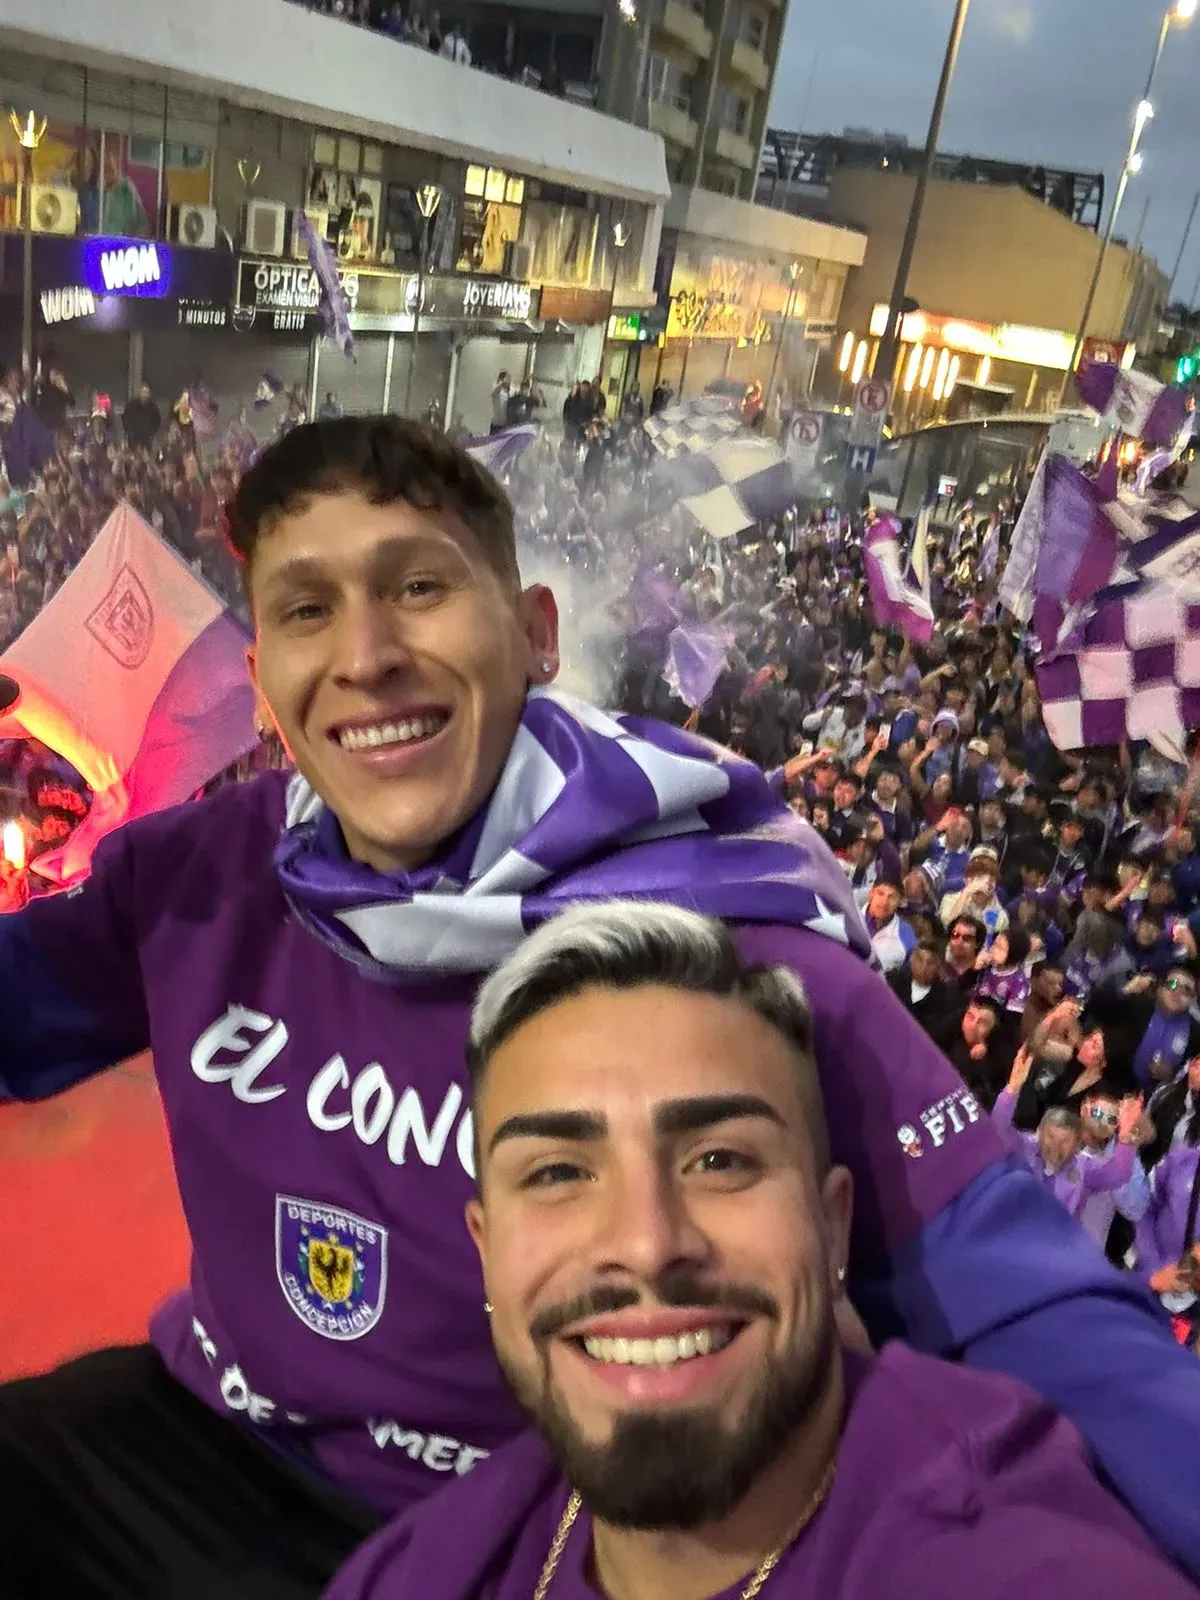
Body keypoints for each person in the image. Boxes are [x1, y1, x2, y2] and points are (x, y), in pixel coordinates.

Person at [3, 416, 1200, 1596]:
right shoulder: (200, 874)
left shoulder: (731, 949)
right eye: (308, 608)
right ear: (264, 680)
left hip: (504, 1531)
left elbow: (1041, 1322)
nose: (365, 654)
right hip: (196, 1432)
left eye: (418, 586)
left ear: (534, 635)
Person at [326, 902, 1199, 1600]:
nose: (646, 1244)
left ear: (832, 1229)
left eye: (720, 1160)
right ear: (486, 1253)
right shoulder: (422, 1565)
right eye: (558, 1171)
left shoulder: (1003, 1555)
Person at [122, 382, 162, 451]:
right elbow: (125, 419)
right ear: (140, 393)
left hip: (147, 439)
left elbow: (157, 421)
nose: (145, 394)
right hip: (133, 438)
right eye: (143, 392)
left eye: (147, 392)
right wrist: (129, 431)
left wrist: (151, 433)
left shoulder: (153, 408)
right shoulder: (132, 405)